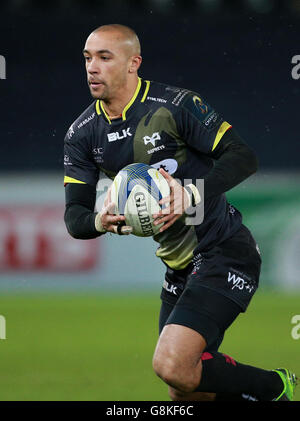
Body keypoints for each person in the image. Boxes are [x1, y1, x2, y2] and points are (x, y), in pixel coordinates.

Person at [63, 24, 297, 401]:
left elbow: (243, 157)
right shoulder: (82, 134)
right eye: (88, 58)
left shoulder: (174, 106)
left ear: (132, 63)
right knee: (184, 388)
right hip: (179, 268)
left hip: (224, 252)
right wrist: (98, 221)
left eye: (105, 57)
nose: (92, 67)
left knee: (172, 364)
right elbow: (74, 216)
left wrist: (192, 194)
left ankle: (276, 387)